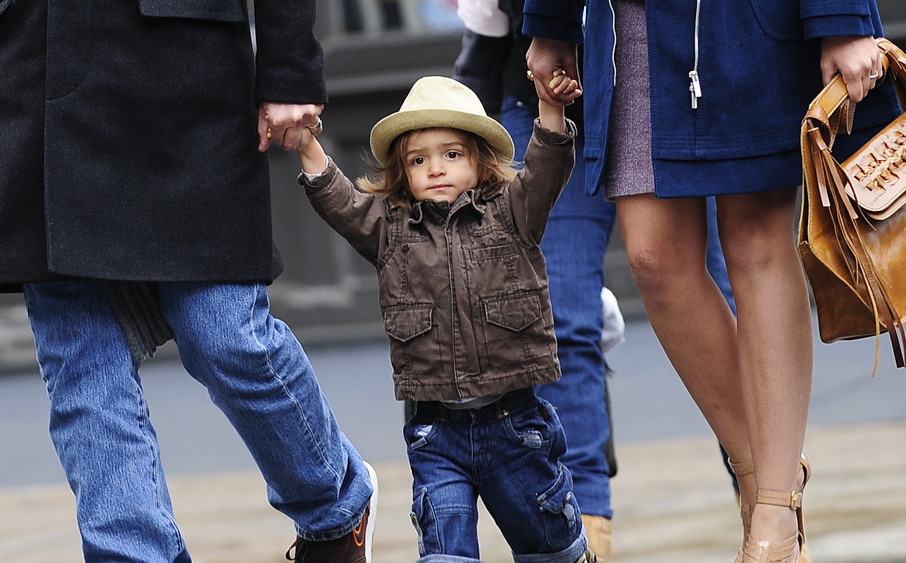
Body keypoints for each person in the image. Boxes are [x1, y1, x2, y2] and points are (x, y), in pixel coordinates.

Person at [0, 1, 377, 561]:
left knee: (225, 333)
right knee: (83, 366)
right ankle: (133, 553)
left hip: (184, 74)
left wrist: (290, 64)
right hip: (35, 72)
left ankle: (334, 509)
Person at [523, 1, 899, 562]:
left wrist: (842, 18)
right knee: (654, 257)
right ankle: (769, 478)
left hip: (743, 21)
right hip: (629, 27)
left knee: (755, 247)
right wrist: (551, 18)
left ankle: (770, 509)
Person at [452, 1, 739, 560]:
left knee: (722, 307)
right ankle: (583, 535)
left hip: (670, 91)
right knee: (556, 315)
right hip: (546, 102)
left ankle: (768, 499)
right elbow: (483, 38)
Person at [295, 75, 593, 563]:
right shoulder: (389, 228)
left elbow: (546, 168)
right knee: (444, 552)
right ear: (402, 171)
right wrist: (307, 141)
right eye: (419, 159)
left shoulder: (514, 211)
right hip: (437, 434)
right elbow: (342, 203)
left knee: (549, 547)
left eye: (451, 154)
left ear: (479, 158)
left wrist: (549, 105)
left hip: (515, 425)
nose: (435, 168)